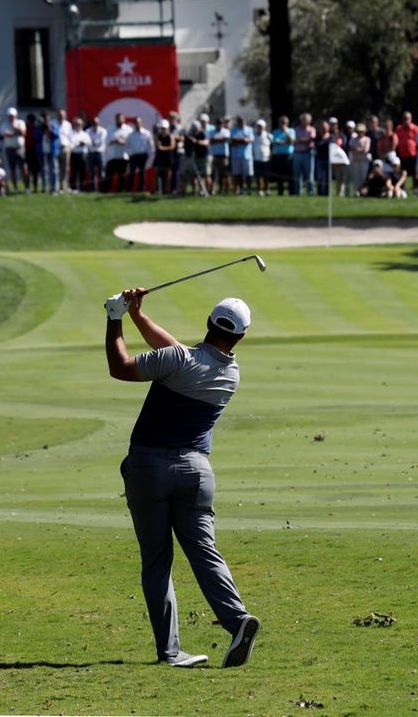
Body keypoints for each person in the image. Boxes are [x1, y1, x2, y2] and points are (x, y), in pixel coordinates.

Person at [103, 289, 261, 669]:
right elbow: (179, 355)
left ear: (208, 323)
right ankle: (238, 620)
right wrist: (139, 317)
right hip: (196, 474)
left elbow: (121, 366)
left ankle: (171, 652)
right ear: (240, 337)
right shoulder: (230, 374)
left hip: (149, 469)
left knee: (157, 560)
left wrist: (114, 317)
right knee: (204, 551)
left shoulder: (178, 361)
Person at [1, 108, 27, 194]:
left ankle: (26, 187)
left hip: (20, 148)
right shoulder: (4, 125)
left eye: (12, 116)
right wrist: (16, 133)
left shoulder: (20, 123)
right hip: (10, 149)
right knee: (12, 169)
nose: (11, 118)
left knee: (23, 168)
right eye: (9, 116)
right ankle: (15, 188)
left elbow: (23, 133)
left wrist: (14, 127)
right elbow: (7, 134)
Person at [228, 116, 253, 195]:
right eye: (239, 121)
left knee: (248, 174)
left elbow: (250, 140)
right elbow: (232, 140)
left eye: (242, 121)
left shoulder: (249, 130)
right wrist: (243, 140)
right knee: (237, 174)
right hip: (236, 155)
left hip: (247, 155)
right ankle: (240, 189)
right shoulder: (233, 130)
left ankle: (248, 189)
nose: (241, 122)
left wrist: (239, 140)